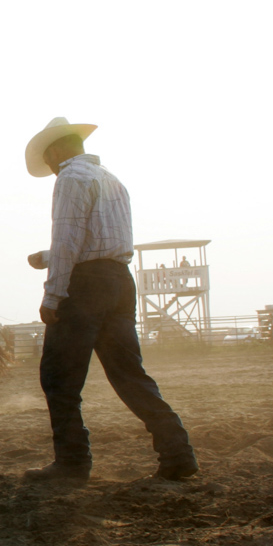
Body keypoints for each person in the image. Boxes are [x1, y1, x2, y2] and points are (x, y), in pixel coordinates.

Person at [24, 117, 198, 482]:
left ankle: (73, 461)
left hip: (85, 287)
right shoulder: (112, 181)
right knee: (129, 374)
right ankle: (177, 451)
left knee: (59, 377)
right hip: (119, 281)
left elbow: (71, 240)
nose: (52, 169)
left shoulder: (70, 179)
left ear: (55, 151)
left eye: (50, 161)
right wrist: (47, 256)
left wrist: (53, 294)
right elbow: (98, 243)